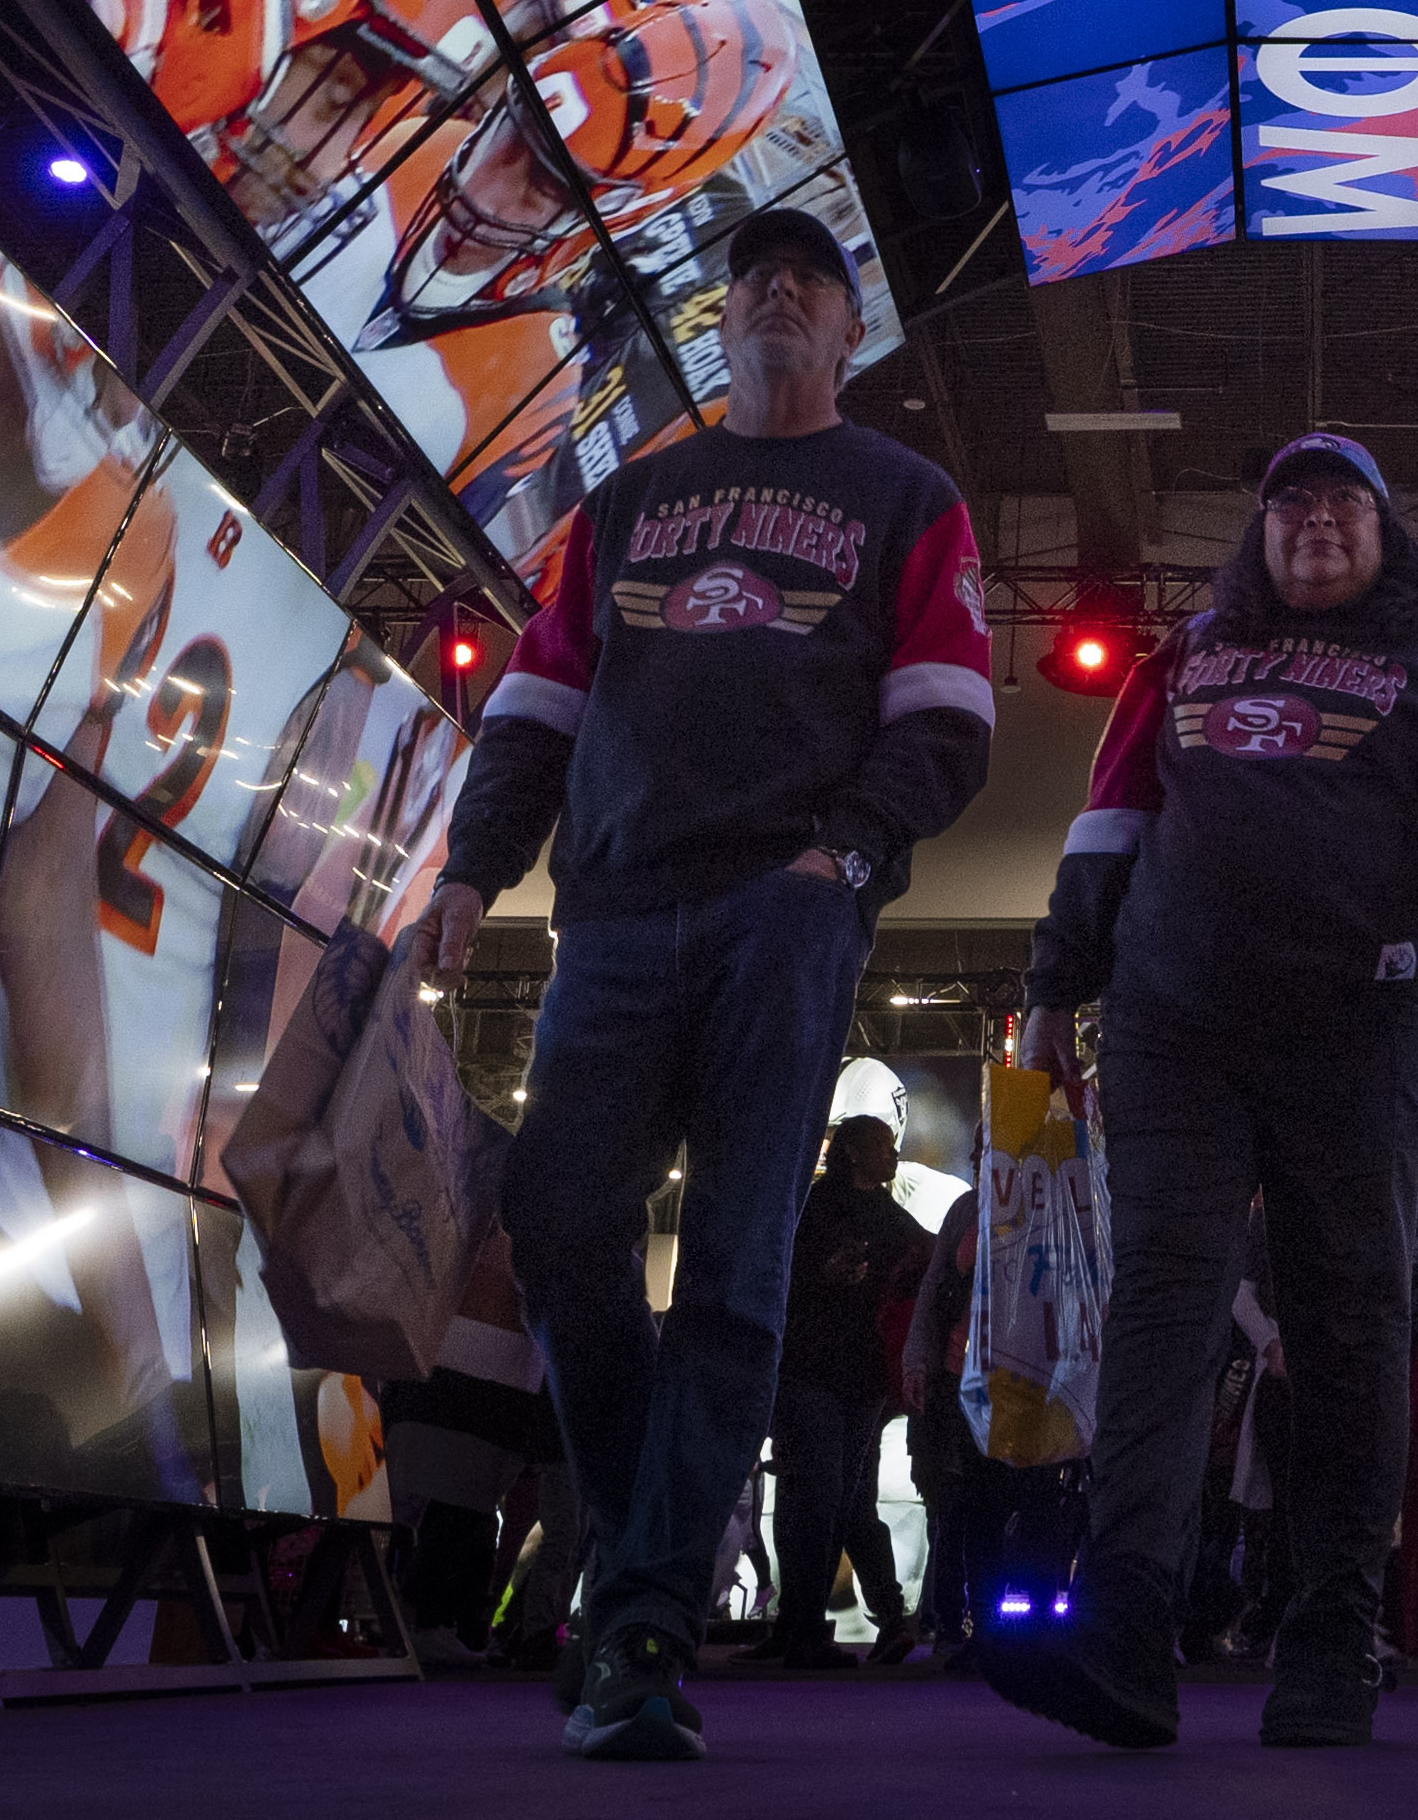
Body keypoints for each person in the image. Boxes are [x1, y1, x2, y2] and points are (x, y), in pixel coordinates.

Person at [422, 203, 999, 1765]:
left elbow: (949, 718)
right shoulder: (626, 501)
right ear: (720, 322)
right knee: (558, 1222)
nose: (778, 297)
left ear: (849, 330)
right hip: (613, 912)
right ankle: (639, 1563)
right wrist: (473, 868)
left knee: (739, 1268)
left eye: (809, 282)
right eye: (755, 282)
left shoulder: (907, 497)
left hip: (784, 910)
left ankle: (646, 1625)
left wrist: (841, 857)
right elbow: (535, 705)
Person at [995, 429, 1418, 1752]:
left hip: (1354, 1029)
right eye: (1291, 503)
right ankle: (1124, 1625)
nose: (1316, 522)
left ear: (1384, 530)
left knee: (1352, 1324)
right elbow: (1108, 825)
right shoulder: (1182, 656)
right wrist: (1051, 990)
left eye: (1344, 503)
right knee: (1163, 1306)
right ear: (1258, 533)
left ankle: (1331, 1637)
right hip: (1172, 1022)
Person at [754, 1115, 932, 1666]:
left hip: (841, 1377)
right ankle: (816, 1626)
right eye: (884, 1144)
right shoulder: (822, 1208)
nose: (894, 1154)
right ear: (852, 1151)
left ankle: (804, 1627)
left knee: (821, 1498)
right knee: (828, 1499)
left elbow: (928, 1257)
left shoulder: (853, 1211)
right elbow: (780, 1273)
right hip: (820, 1373)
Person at [902, 1186, 985, 1670]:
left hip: (1003, 1378)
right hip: (959, 1375)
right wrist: (918, 1362)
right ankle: (951, 1622)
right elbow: (935, 1289)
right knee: (954, 1504)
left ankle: (975, 1623)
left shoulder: (1025, 1201)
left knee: (985, 1505)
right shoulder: (968, 1208)